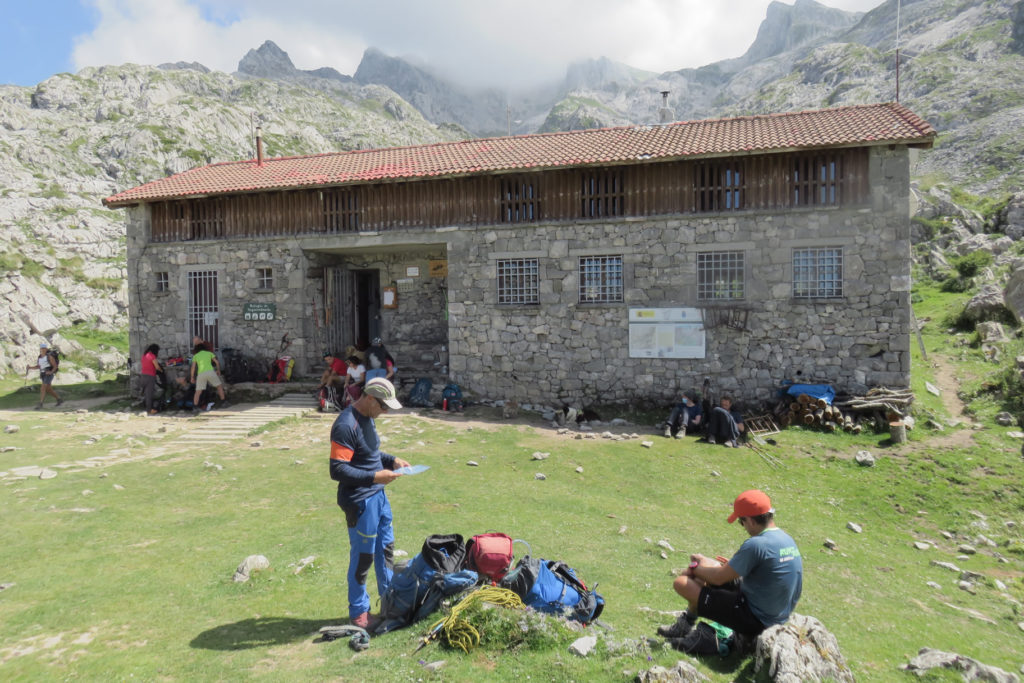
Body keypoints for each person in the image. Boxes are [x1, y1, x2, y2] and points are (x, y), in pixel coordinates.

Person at [658, 490, 802, 646]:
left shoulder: (756, 544)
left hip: (756, 619)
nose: (743, 527)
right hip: (776, 613)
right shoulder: (786, 539)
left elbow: (717, 578)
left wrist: (694, 568)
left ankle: (694, 630)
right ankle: (686, 624)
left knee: (682, 582)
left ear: (751, 521)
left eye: (742, 522)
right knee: (708, 567)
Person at [329, 377, 409, 630]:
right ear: (371, 399)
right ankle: (359, 611)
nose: (385, 412)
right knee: (363, 558)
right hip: (360, 501)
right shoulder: (345, 425)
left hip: (379, 497)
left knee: (385, 550)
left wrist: (392, 460)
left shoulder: (369, 419)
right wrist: (375, 477)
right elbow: (337, 470)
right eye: (383, 407)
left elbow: (370, 455)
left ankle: (389, 601)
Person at [189, 342, 226, 411]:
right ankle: (223, 402)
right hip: (210, 372)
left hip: (201, 374)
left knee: (198, 391)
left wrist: (192, 377)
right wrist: (218, 370)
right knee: (219, 386)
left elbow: (193, 367)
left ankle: (195, 407)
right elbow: (217, 362)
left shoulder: (196, 356)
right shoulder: (209, 353)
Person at [29, 342, 63, 410]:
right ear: (40, 349)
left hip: (48, 375)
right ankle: (59, 399)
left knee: (43, 388)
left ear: (46, 349)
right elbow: (39, 366)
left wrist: (51, 372)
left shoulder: (49, 357)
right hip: (43, 374)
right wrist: (30, 367)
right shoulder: (40, 357)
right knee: (49, 389)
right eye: (42, 348)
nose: (43, 349)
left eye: (44, 348)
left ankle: (40, 404)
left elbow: (55, 366)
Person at [140, 343, 163, 415]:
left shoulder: (144, 356)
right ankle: (149, 410)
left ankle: (147, 408)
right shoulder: (152, 356)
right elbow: (157, 367)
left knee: (146, 394)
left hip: (143, 376)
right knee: (149, 394)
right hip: (150, 376)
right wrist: (161, 370)